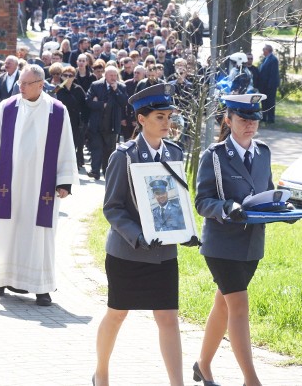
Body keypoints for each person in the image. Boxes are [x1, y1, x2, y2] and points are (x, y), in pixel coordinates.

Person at [93, 83, 193, 386]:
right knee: (117, 314)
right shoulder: (123, 156)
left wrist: (186, 231)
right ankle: (102, 374)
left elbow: (177, 203)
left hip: (164, 254)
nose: (167, 123)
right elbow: (112, 208)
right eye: (160, 117)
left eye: (169, 117)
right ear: (141, 119)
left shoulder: (175, 152)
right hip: (127, 252)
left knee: (168, 318)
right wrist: (138, 236)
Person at [0, 64, 78, 306]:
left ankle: (41, 287)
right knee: (8, 231)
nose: (19, 87)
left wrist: (64, 180)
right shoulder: (7, 107)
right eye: (19, 82)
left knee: (40, 233)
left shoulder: (57, 111)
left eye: (25, 83)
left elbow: (66, 145)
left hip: (42, 187)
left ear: (40, 85)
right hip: (10, 184)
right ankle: (1, 278)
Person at [194, 93, 274, 386]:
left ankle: (202, 365)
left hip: (252, 245)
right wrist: (226, 208)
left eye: (254, 119)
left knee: (224, 305)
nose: (250, 124)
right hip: (222, 244)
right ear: (228, 120)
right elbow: (202, 201)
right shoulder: (214, 156)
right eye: (243, 119)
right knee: (238, 305)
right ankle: (251, 379)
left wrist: (283, 208)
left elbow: (268, 192)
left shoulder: (263, 152)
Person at [85, 65, 129, 180]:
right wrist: (102, 104)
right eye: (111, 75)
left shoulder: (121, 87)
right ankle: (95, 171)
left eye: (115, 75)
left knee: (109, 151)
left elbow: (124, 102)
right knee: (96, 148)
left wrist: (116, 91)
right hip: (97, 124)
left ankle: (107, 172)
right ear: (105, 75)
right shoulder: (96, 85)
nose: (113, 78)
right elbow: (88, 101)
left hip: (112, 125)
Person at [55, 65, 86, 167]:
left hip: (74, 121)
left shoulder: (78, 89)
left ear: (74, 77)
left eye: (70, 75)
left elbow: (84, 104)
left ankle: (70, 164)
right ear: (61, 76)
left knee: (73, 144)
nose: (67, 78)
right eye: (65, 75)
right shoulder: (58, 89)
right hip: (60, 120)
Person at [258, 44, 280, 123]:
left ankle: (270, 118)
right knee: (263, 101)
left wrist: (270, 85)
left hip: (270, 86)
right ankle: (264, 117)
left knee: (270, 102)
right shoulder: (265, 59)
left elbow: (273, 74)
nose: (263, 51)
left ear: (267, 50)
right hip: (263, 85)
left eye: (264, 50)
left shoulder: (273, 60)